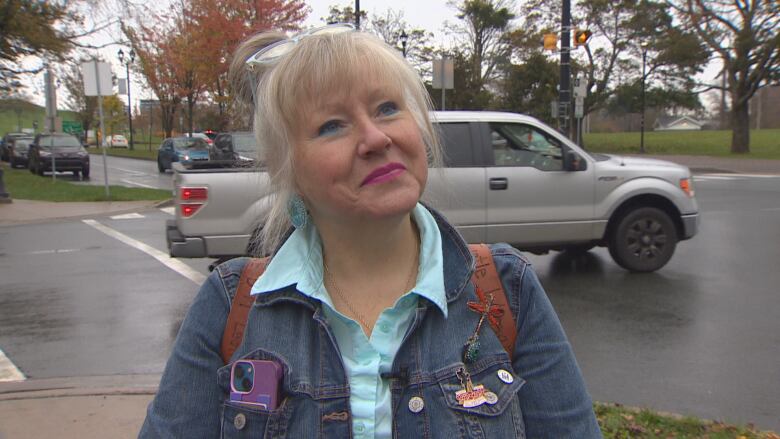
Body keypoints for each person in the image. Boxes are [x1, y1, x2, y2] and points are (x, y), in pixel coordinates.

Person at [140, 24, 601, 438]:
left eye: (386, 108)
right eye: (332, 125)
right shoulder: (231, 304)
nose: (376, 138)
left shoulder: (507, 290)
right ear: (291, 170)